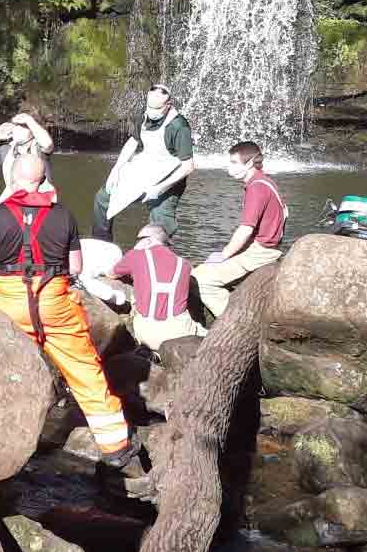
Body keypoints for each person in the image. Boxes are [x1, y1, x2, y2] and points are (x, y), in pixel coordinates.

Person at [0, 151, 147, 486]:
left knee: (2, 372)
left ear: (12, 178)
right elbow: (76, 267)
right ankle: (116, 448)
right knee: (85, 372)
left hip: (9, 302)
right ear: (45, 179)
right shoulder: (63, 216)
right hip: (54, 301)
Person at [194, 140, 286, 319]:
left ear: (250, 162)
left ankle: (233, 320)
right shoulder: (264, 181)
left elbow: (245, 229)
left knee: (200, 279)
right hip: (265, 247)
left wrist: (224, 255)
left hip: (261, 253)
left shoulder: (257, 188)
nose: (230, 167)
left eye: (234, 163)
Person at [92, 85, 195, 244]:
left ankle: (158, 259)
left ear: (168, 106)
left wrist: (160, 188)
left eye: (157, 107)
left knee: (160, 225)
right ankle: (101, 244)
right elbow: (133, 141)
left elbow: (188, 166)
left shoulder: (178, 126)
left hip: (169, 178)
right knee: (103, 198)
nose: (152, 110)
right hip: (146, 168)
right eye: (150, 106)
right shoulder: (145, 115)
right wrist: (116, 169)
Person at [108, 223, 205, 354]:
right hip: (181, 333)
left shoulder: (136, 255)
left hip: (147, 334)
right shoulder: (185, 264)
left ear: (148, 240)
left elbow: (111, 273)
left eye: (138, 239)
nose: (136, 243)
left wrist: (135, 251)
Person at [0, 110, 55, 201]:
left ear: (33, 131)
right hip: (14, 200)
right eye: (15, 125)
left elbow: (47, 144)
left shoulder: (40, 148)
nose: (16, 128)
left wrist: (29, 120)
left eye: (22, 126)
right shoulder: (5, 149)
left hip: (42, 203)